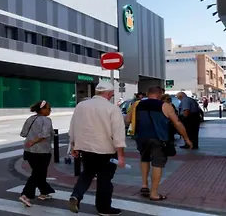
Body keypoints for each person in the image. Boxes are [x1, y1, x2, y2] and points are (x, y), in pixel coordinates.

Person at [68, 82, 126, 216]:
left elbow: (73, 126)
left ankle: (76, 195)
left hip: (85, 148)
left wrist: (73, 145)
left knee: (87, 173)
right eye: (112, 94)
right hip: (106, 150)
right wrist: (121, 156)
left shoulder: (81, 106)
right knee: (104, 179)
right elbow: (118, 134)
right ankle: (103, 208)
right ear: (109, 93)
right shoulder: (112, 109)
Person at [134, 87, 192, 202]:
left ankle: (144, 185)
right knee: (157, 164)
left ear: (148, 93)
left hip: (141, 137)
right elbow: (177, 123)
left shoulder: (137, 104)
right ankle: (154, 193)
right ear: (160, 94)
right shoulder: (165, 106)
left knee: (144, 159)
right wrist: (186, 139)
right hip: (158, 138)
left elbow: (127, 119)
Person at [19, 100, 55, 207]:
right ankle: (26, 195)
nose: (50, 110)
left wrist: (30, 140)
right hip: (42, 151)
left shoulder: (30, 119)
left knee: (39, 172)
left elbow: (23, 133)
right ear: (42, 110)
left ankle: (44, 192)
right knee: (37, 173)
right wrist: (34, 141)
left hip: (29, 151)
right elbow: (44, 134)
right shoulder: (46, 120)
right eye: (48, 108)